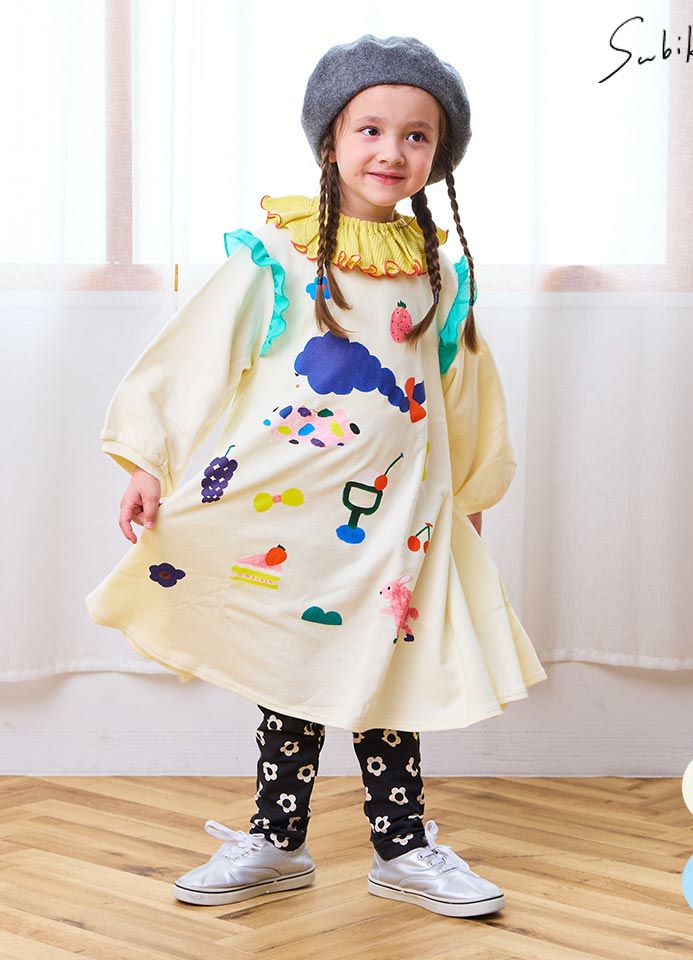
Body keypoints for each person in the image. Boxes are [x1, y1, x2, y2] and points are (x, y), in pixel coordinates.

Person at [85, 34, 547, 918]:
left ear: (439, 153)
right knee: (293, 666)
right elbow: (197, 351)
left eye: (416, 135)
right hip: (286, 512)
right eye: (370, 128)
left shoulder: (437, 271)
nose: (392, 150)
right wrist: (146, 456)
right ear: (331, 140)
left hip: (397, 518)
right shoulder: (283, 251)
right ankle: (276, 839)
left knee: (387, 669)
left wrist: (468, 495)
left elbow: (462, 387)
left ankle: (403, 848)